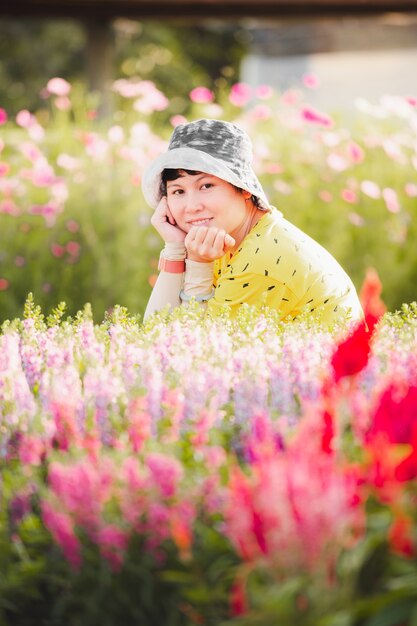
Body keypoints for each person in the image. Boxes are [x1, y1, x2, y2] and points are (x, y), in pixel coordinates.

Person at [142, 118, 363, 323]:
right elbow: (157, 333)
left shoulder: (261, 261)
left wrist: (199, 264)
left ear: (245, 189)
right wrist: (175, 248)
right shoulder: (225, 237)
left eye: (206, 186)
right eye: (178, 191)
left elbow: (190, 352)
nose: (191, 206)